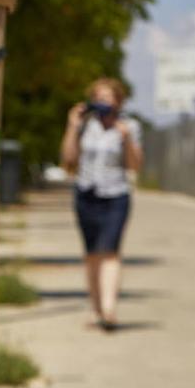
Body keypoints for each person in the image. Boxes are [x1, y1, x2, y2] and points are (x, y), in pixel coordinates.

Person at [59, 77, 142, 331]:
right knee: (92, 254)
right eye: (98, 98)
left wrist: (126, 138)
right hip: (86, 193)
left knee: (111, 251)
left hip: (116, 194)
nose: (103, 103)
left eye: (108, 98)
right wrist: (72, 126)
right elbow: (68, 161)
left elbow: (135, 166)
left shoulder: (129, 126)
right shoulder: (85, 126)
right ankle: (96, 310)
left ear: (119, 101)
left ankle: (109, 310)